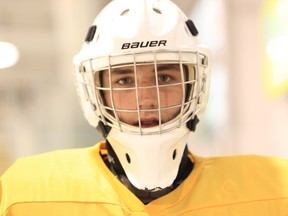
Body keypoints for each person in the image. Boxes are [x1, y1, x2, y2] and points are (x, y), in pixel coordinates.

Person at [1, 0, 288, 215]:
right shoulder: (23, 195)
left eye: (165, 77)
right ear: (94, 93)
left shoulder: (275, 190)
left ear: (195, 85)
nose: (146, 98)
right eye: (124, 80)